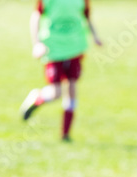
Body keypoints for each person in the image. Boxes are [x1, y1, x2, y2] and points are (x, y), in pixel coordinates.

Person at [19, 0, 102, 141]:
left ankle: (65, 134)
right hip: (53, 48)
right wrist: (36, 43)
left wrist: (95, 36)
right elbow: (36, 16)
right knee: (56, 93)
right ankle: (37, 97)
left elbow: (86, 16)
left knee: (72, 89)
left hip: (75, 47)